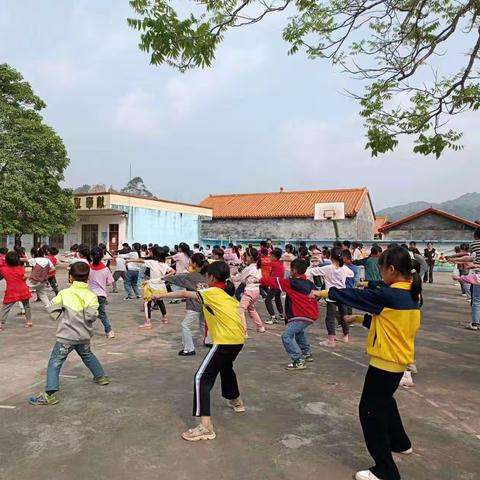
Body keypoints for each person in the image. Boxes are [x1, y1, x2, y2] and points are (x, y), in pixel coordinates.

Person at [311, 246, 421, 480]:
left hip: (385, 363)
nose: (379, 275)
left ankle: (385, 470)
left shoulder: (389, 296)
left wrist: (322, 293)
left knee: (370, 411)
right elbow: (389, 325)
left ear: (391, 269)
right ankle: (401, 443)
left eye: (381, 270)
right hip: (396, 359)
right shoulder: (411, 292)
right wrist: (360, 316)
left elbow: (353, 296)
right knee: (385, 402)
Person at [153, 261, 246, 441]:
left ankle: (205, 427)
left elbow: (183, 293)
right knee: (226, 367)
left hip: (225, 341)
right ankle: (236, 400)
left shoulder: (211, 292)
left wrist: (160, 295)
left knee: (201, 378)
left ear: (210, 277)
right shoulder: (228, 295)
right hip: (238, 340)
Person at [28, 261, 110, 406]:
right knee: (87, 354)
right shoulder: (91, 295)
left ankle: (50, 394)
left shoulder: (65, 293)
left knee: (55, 362)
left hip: (66, 336)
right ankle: (100, 376)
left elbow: (52, 311)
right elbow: (92, 316)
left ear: (70, 277)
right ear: (88, 278)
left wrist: (60, 309)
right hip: (84, 335)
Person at [261, 258, 318, 370]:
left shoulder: (290, 282)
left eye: (291, 269)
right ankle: (306, 353)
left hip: (301, 315)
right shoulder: (310, 283)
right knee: (299, 333)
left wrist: (260, 280)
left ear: (294, 270)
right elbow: (317, 295)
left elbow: (274, 281)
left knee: (286, 336)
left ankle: (298, 360)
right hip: (310, 315)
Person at [307, 246, 354, 346]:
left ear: (331, 258)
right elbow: (351, 274)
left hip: (331, 295)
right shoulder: (345, 268)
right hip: (342, 294)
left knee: (330, 317)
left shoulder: (327, 268)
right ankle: (345, 336)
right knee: (344, 315)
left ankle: (331, 339)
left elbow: (313, 271)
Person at [164, 253, 208, 355]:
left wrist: (163, 278)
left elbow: (176, 279)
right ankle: (209, 341)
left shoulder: (191, 276)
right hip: (205, 303)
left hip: (194, 305)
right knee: (203, 323)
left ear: (194, 264)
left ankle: (189, 348)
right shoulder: (207, 275)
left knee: (185, 325)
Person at [127, 246, 175, 327]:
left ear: (155, 254)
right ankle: (164, 318)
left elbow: (140, 260)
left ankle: (148, 322)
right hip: (161, 286)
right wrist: (164, 277)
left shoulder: (153, 262)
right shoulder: (164, 264)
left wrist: (129, 260)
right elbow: (173, 271)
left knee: (147, 303)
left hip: (152, 286)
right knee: (160, 302)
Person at [232, 248, 265, 335]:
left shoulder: (249, 268)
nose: (244, 258)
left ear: (250, 257)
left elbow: (239, 279)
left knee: (241, 310)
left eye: (246, 256)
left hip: (249, 291)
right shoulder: (258, 267)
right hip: (256, 291)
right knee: (251, 309)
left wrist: (230, 276)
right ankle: (260, 327)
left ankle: (243, 331)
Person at [0, 251, 32, 330]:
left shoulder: (3, 269)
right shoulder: (21, 268)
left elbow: (2, 262)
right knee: (26, 306)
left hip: (12, 290)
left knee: (6, 308)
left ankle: (1, 323)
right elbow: (25, 276)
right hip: (23, 289)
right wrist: (25, 260)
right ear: (17, 260)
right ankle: (29, 321)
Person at [88, 246, 115, 339]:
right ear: (103, 257)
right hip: (101, 295)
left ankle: (85, 330)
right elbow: (109, 283)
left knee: (88, 313)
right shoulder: (106, 269)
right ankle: (109, 331)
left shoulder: (88, 267)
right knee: (102, 314)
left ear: (91, 256)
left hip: (90, 294)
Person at [264, 248, 285, 324]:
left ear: (275, 257)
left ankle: (273, 318)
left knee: (267, 300)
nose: (270, 258)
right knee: (277, 299)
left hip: (275, 285)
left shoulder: (275, 263)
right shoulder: (279, 263)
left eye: (271, 256)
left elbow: (264, 263)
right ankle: (282, 314)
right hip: (280, 284)